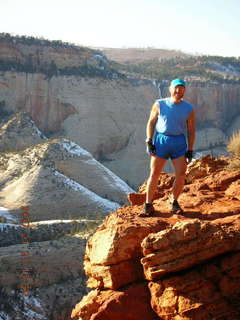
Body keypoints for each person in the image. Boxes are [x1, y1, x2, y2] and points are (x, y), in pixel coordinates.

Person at [140, 78, 196, 217]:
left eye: (181, 89)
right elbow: (151, 123)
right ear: (170, 89)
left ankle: (174, 202)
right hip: (161, 141)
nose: (178, 91)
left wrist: (190, 149)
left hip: (178, 142)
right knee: (154, 174)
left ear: (184, 91)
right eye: (176, 88)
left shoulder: (189, 108)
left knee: (181, 174)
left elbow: (191, 130)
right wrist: (149, 140)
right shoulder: (159, 104)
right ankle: (148, 205)